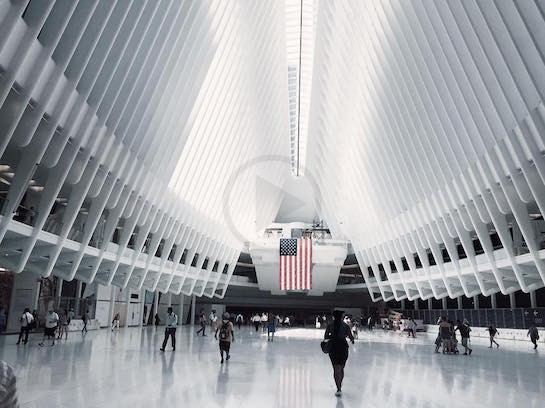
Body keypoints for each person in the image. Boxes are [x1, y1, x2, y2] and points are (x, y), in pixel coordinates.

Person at [324, 310, 354, 397]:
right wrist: (352, 340)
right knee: (341, 367)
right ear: (341, 317)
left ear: (334, 317)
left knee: (336, 368)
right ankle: (340, 383)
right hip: (343, 347)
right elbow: (351, 337)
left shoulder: (330, 325)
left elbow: (325, 337)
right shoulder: (345, 326)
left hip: (333, 347)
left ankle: (338, 387)